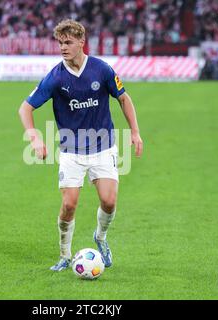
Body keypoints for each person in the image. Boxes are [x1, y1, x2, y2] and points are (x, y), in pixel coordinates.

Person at [18, 19, 143, 271]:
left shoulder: (101, 70)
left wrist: (135, 132)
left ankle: (101, 237)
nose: (63, 47)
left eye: (68, 42)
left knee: (109, 202)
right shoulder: (55, 77)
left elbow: (123, 98)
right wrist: (34, 137)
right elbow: (25, 107)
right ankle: (65, 255)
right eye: (60, 43)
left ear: (81, 43)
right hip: (71, 151)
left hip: (104, 147)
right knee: (69, 204)